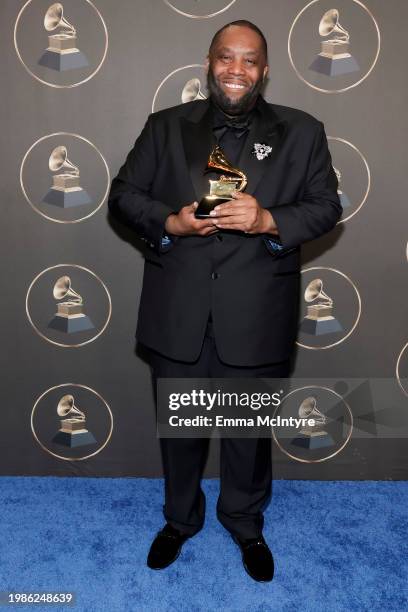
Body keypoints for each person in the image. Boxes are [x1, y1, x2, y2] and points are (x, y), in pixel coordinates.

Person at [108, 19, 342, 582]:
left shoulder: (303, 131)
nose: (236, 70)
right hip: (179, 310)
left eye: (249, 60)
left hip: (256, 313)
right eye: (225, 58)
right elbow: (122, 196)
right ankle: (179, 521)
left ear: (264, 70)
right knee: (181, 430)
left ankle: (245, 523)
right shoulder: (164, 127)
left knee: (247, 434)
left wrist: (268, 219)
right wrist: (170, 222)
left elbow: (325, 207)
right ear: (208, 62)